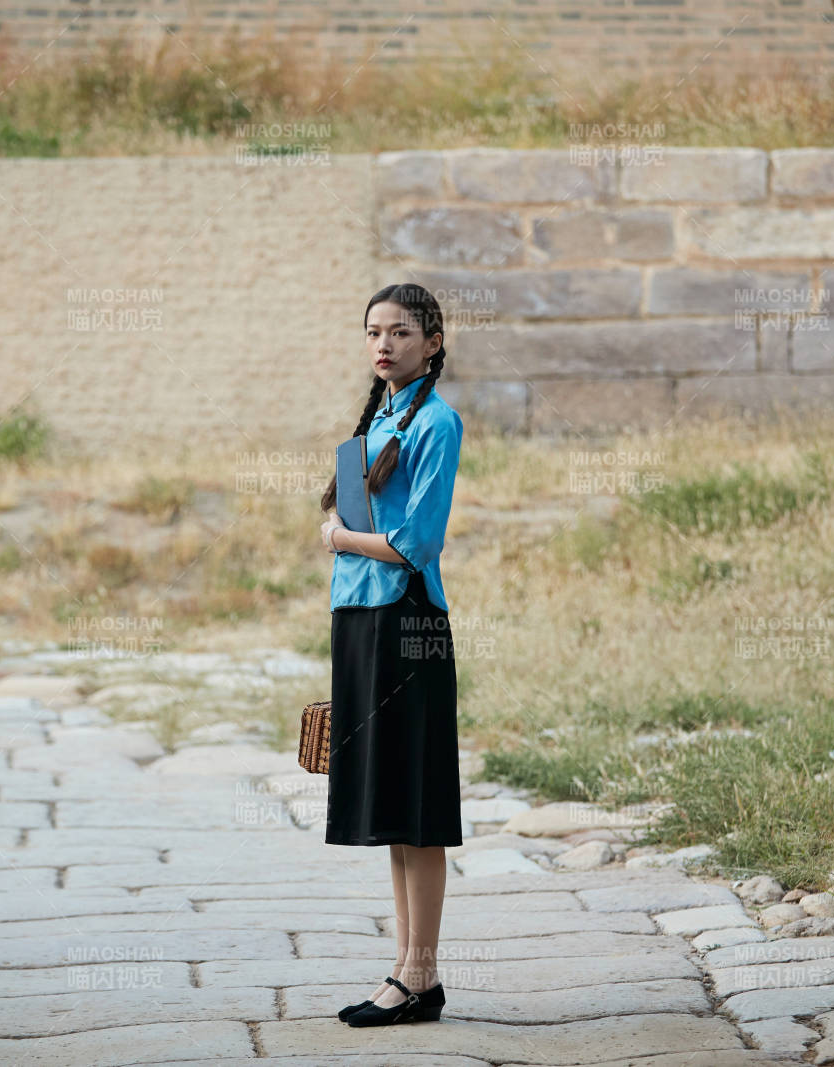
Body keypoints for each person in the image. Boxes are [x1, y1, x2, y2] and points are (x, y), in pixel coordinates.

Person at [317, 283, 464, 1027]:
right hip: (361, 620)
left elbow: (418, 544)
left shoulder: (438, 421)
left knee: (418, 806)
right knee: (393, 809)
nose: (384, 344)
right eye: (373, 331)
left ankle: (422, 972)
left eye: (401, 332)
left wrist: (340, 539)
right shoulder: (381, 414)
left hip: (409, 622)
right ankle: (407, 969)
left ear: (433, 341)